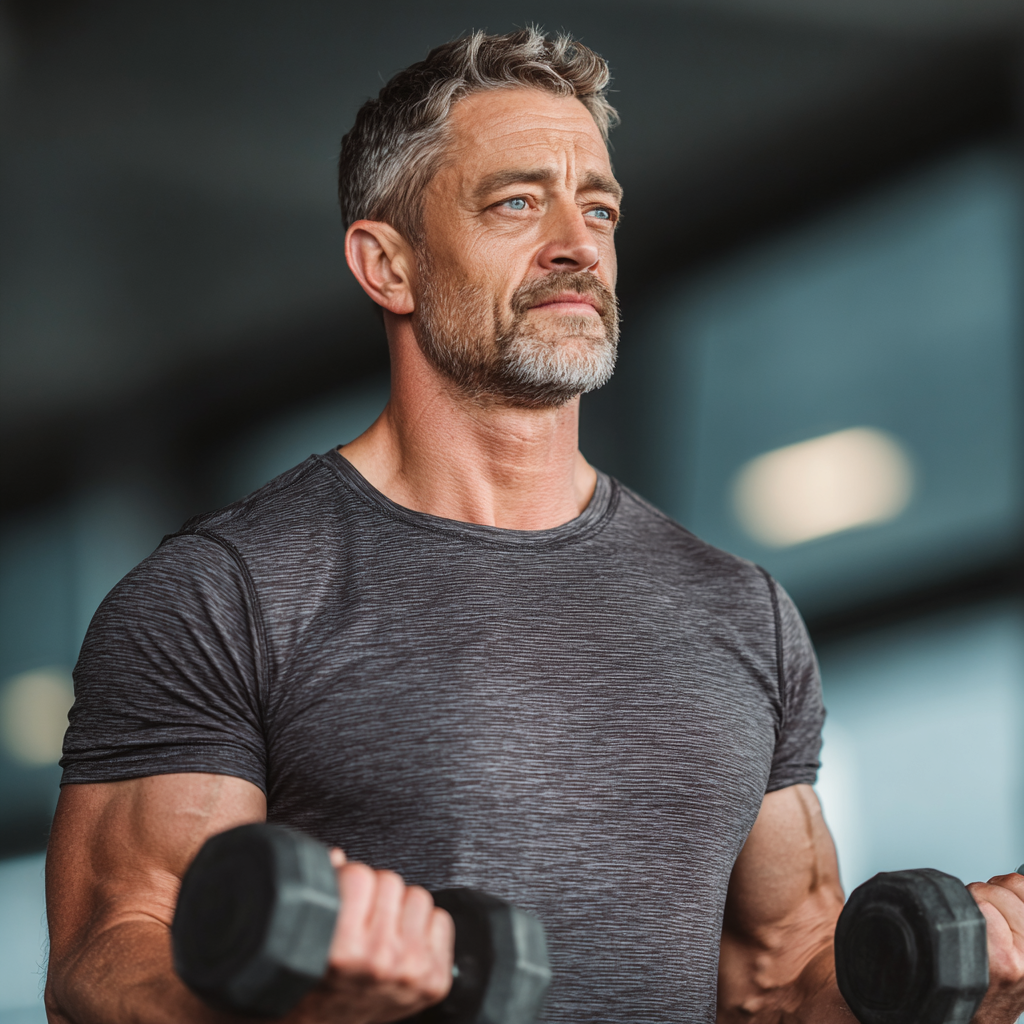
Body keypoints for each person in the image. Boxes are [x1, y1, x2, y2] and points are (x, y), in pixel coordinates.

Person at [43, 28, 1024, 1024]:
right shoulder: (223, 594)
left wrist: (949, 982)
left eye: (597, 208)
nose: (577, 245)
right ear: (388, 265)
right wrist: (305, 1012)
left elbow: (782, 976)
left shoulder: (742, 610)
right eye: (516, 203)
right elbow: (108, 953)